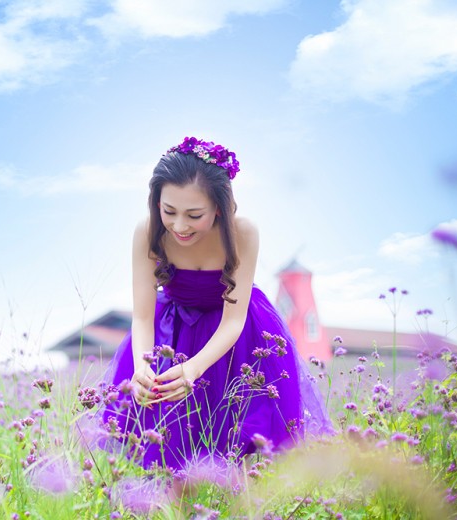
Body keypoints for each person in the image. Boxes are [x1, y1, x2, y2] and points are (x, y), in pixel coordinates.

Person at [97, 136, 332, 471]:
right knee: (170, 443)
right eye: (169, 211)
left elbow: (234, 320)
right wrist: (141, 368)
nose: (180, 226)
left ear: (219, 207)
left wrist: (194, 368)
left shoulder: (242, 232)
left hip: (236, 337)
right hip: (174, 331)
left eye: (194, 215)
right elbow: (143, 317)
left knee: (234, 441)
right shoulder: (148, 232)